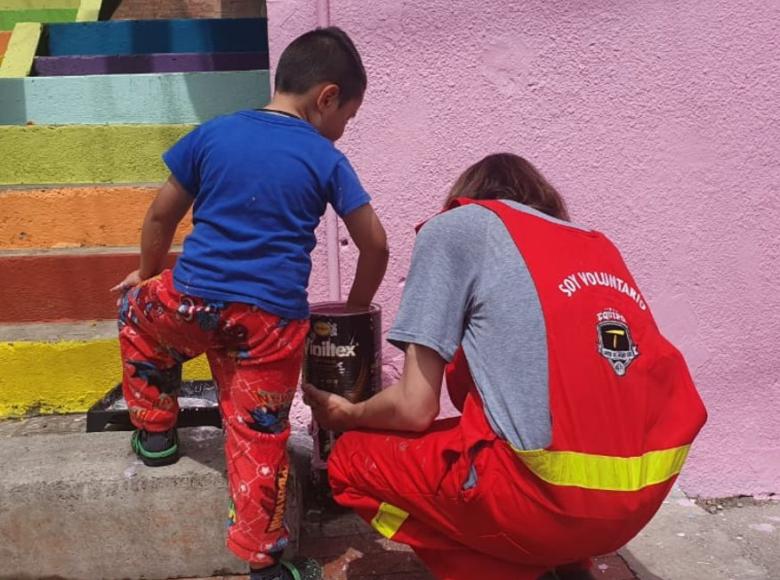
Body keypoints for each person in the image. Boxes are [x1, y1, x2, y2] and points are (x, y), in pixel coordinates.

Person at [304, 153, 707, 580]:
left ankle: (506, 564)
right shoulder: (594, 245)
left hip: (539, 500)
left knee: (350, 461)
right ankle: (567, 561)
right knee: (514, 432)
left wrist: (348, 415)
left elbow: (414, 407)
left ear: (468, 195)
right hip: (635, 503)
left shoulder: (457, 228)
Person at [112, 27, 389, 580]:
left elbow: (161, 216)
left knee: (137, 319)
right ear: (327, 96)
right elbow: (376, 244)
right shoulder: (326, 158)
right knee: (258, 431)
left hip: (194, 302)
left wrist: (145, 278)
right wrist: (354, 309)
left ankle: (157, 433)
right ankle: (263, 565)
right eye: (348, 119)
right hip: (271, 324)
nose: (343, 131)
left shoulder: (213, 133)